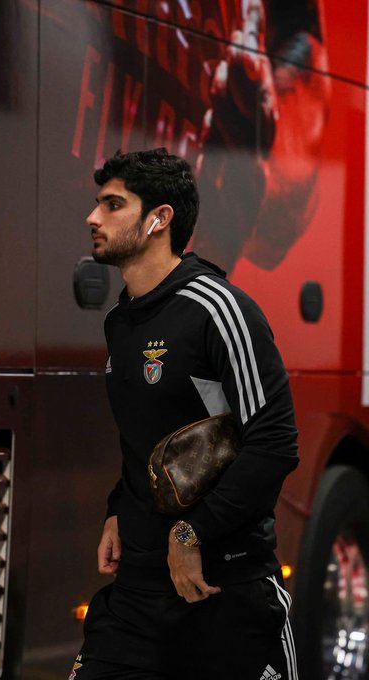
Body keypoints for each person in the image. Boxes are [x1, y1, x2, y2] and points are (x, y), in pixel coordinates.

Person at [69, 148, 299, 680]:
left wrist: (191, 533)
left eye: (113, 205)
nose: (93, 217)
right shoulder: (120, 321)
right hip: (136, 597)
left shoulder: (219, 310)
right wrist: (117, 510)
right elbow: (141, 438)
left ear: (159, 219)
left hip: (225, 593)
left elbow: (275, 443)